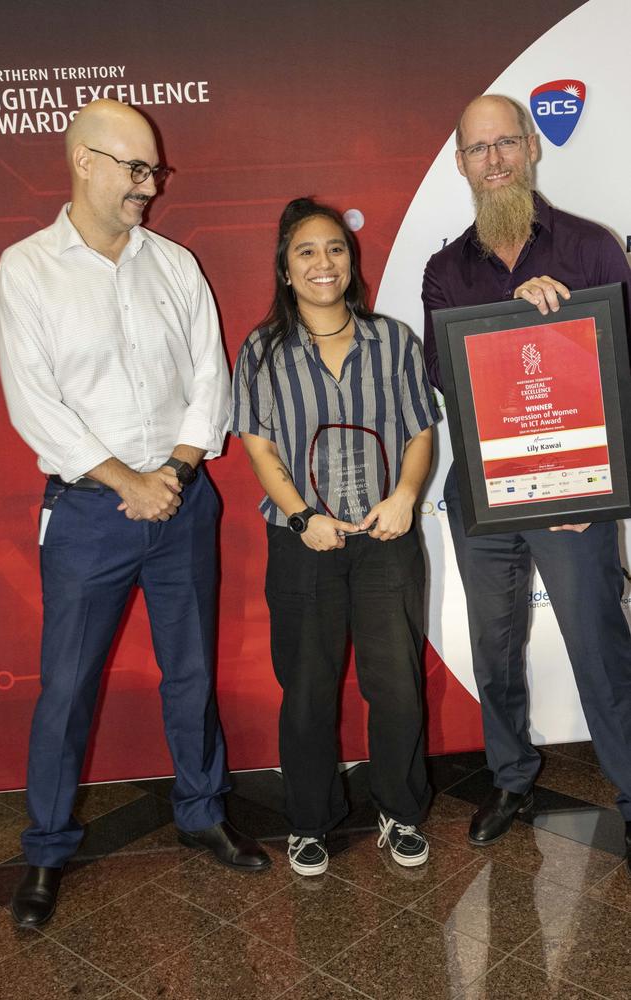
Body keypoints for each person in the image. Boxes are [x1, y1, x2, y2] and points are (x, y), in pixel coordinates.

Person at [0, 98, 270, 928]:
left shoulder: (174, 264)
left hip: (182, 500)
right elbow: (34, 404)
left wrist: (176, 471)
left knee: (189, 671)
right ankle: (45, 851)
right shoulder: (28, 268)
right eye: (136, 168)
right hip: (88, 513)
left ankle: (202, 813)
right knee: (68, 685)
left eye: (154, 171)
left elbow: (209, 378)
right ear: (84, 162)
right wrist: (127, 480)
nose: (149, 186)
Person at [422, 93, 631, 871]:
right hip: (483, 497)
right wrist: (517, 326)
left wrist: (593, 491)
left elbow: (625, 370)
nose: (496, 160)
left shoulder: (591, 247)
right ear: (461, 163)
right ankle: (511, 779)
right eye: (479, 149)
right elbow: (446, 375)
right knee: (495, 648)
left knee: (600, 651)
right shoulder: (446, 270)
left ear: (532, 148)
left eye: (507, 142)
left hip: (572, 499)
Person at [231, 197, 438, 875]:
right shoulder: (263, 350)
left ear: (352, 261)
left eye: (336, 249)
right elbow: (258, 445)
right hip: (303, 544)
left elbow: (419, 432)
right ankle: (310, 820)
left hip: (387, 540)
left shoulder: (395, 340)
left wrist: (406, 497)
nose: (324, 262)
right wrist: (300, 516)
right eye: (306, 252)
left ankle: (400, 812)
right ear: (286, 270)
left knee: (397, 685)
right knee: (309, 686)